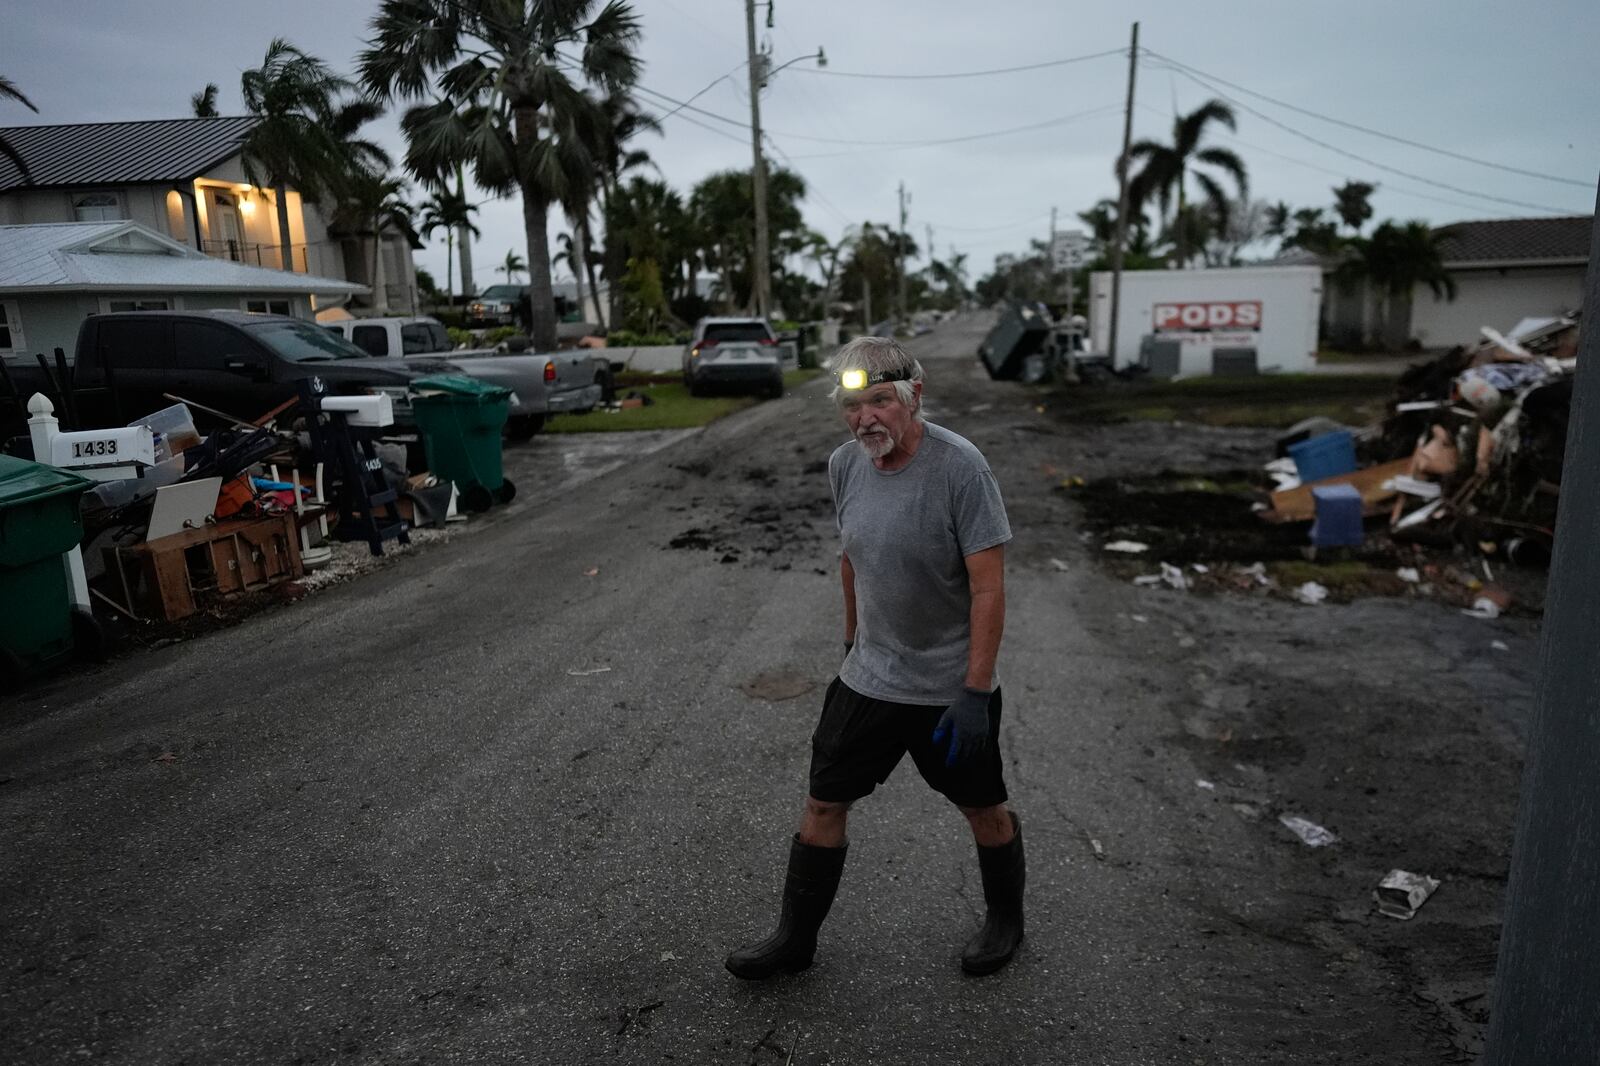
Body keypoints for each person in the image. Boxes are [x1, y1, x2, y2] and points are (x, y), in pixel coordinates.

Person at [726, 335, 1024, 980]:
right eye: (852, 405)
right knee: (823, 804)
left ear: (915, 397)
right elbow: (852, 557)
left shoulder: (960, 467)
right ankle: (795, 940)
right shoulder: (846, 464)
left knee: (982, 807)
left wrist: (975, 692)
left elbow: (989, 586)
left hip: (949, 687)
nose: (866, 418)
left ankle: (1005, 919)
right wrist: (849, 644)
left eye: (881, 401)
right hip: (869, 677)